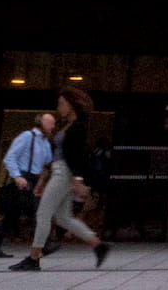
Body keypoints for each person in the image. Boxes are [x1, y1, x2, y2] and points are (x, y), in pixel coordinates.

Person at [9, 87, 109, 272]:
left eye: (62, 103)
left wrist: (77, 179)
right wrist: (43, 180)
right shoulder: (68, 126)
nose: (59, 107)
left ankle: (33, 258)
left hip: (64, 173)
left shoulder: (78, 127)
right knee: (63, 218)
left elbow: (77, 156)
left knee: (43, 214)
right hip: (59, 172)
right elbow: (57, 154)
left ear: (71, 105)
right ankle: (98, 244)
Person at [0, 113, 55, 259]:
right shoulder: (27, 136)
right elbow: (10, 157)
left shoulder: (45, 141)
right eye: (50, 123)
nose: (53, 127)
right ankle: (46, 244)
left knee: (11, 214)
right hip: (24, 178)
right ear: (41, 123)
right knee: (38, 211)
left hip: (35, 179)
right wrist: (17, 176)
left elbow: (49, 160)